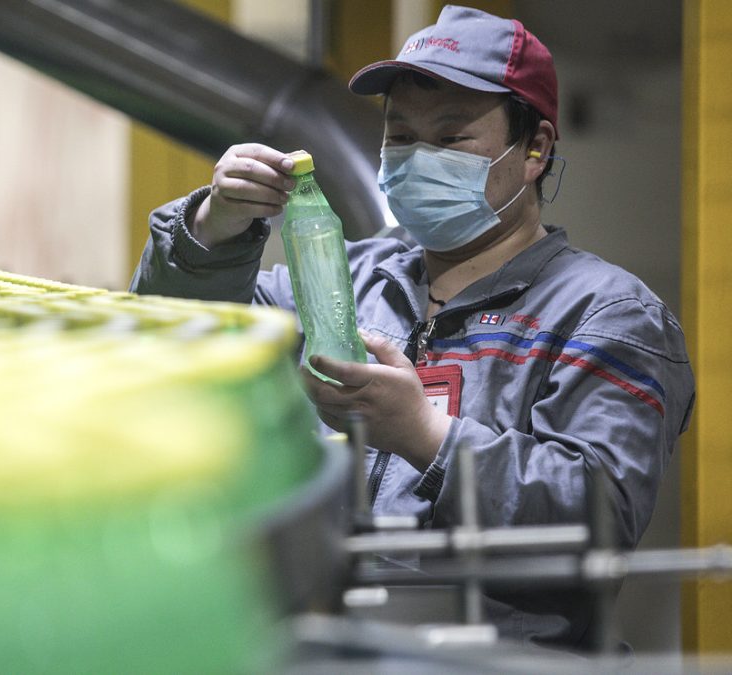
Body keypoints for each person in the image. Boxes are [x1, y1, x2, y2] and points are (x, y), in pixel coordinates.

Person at [130, 4, 695, 650]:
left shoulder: (606, 314)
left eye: (452, 140)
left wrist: (427, 435)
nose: (419, 159)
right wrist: (211, 231)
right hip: (331, 647)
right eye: (400, 138)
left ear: (535, 148)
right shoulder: (346, 279)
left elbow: (599, 511)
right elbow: (174, 342)